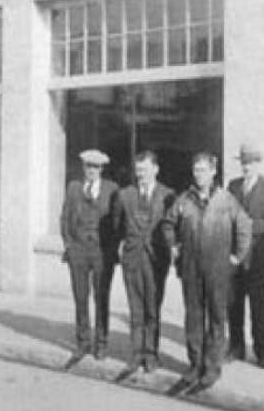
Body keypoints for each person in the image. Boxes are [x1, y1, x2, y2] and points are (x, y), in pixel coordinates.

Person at [163, 152, 252, 390]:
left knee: (216, 318)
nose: (199, 175)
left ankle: (212, 367)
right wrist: (173, 246)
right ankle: (195, 365)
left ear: (214, 172)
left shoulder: (226, 200)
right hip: (191, 268)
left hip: (217, 270)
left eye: (204, 170)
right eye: (196, 170)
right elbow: (168, 224)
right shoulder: (184, 200)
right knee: (193, 318)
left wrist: (236, 257)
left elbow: (244, 227)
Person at [113, 150, 176, 376]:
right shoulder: (124, 195)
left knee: (152, 309)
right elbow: (117, 226)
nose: (141, 174)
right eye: (138, 170)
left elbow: (171, 227)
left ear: (156, 170)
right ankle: (135, 354)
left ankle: (151, 355)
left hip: (156, 260)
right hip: (132, 259)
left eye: (146, 169)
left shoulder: (168, 195)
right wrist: (123, 248)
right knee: (135, 309)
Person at [226, 143, 264, 368]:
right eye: (243, 162)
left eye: (250, 162)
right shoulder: (232, 187)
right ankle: (236, 347)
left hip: (259, 256)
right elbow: (225, 215)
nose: (246, 166)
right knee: (233, 305)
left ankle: (262, 352)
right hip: (235, 256)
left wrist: (253, 225)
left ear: (257, 164)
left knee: (259, 306)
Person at [59, 148, 119, 365]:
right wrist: (69, 244)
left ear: (101, 169)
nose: (91, 170)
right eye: (88, 166)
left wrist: (112, 249)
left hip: (102, 253)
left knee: (102, 298)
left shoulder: (112, 189)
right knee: (80, 297)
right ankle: (82, 342)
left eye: (95, 167)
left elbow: (117, 222)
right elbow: (65, 218)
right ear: (83, 167)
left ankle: (101, 343)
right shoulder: (74, 188)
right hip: (78, 252)